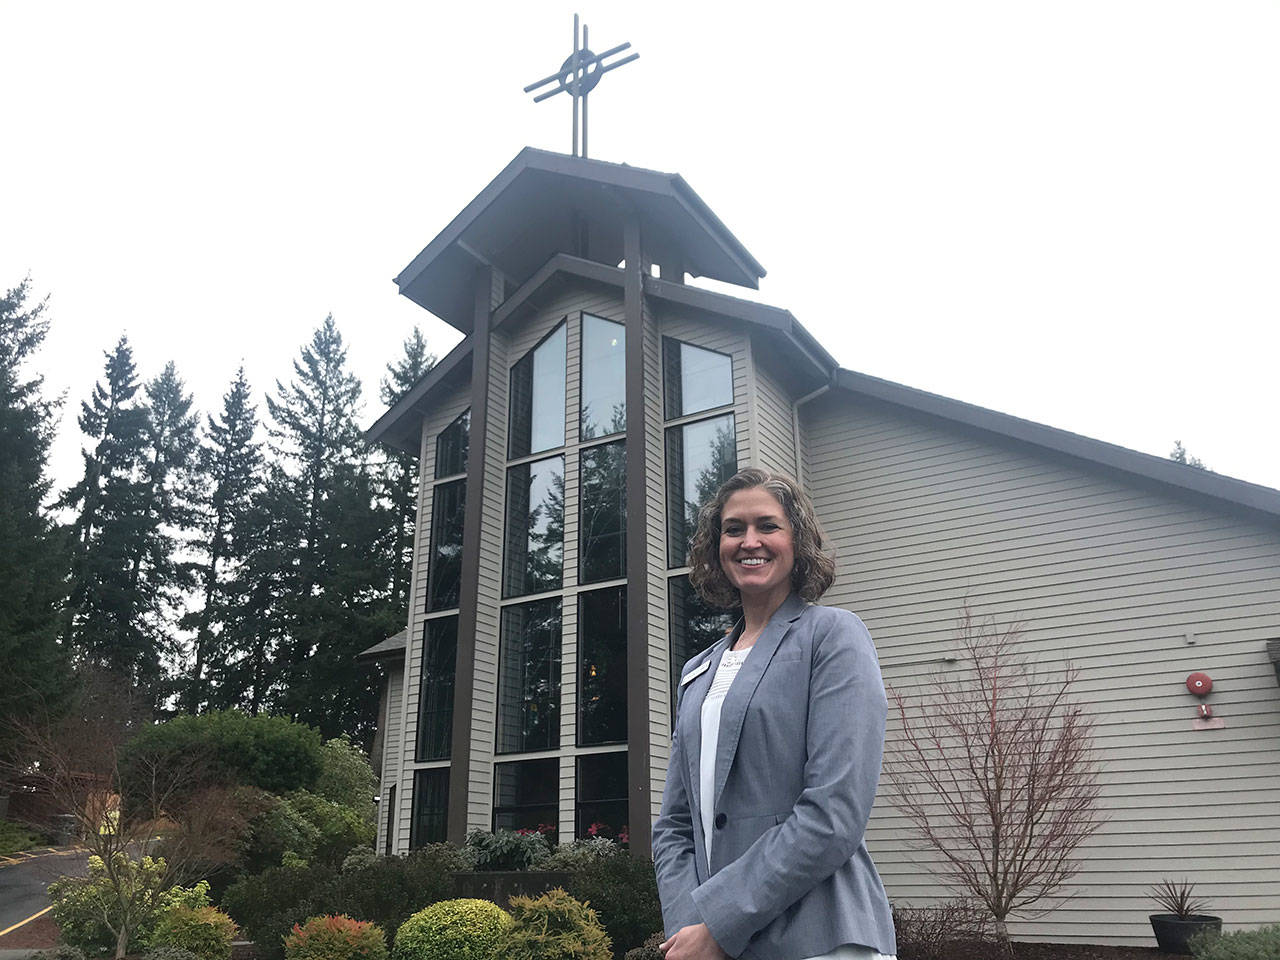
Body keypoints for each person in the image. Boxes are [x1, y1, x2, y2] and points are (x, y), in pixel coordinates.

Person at [653, 468, 897, 960]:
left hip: (823, 938)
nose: (750, 541)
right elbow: (675, 827)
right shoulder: (697, 671)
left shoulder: (832, 637)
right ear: (715, 546)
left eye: (767, 525)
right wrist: (691, 929)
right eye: (733, 529)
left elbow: (834, 812)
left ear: (796, 540)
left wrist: (721, 923)